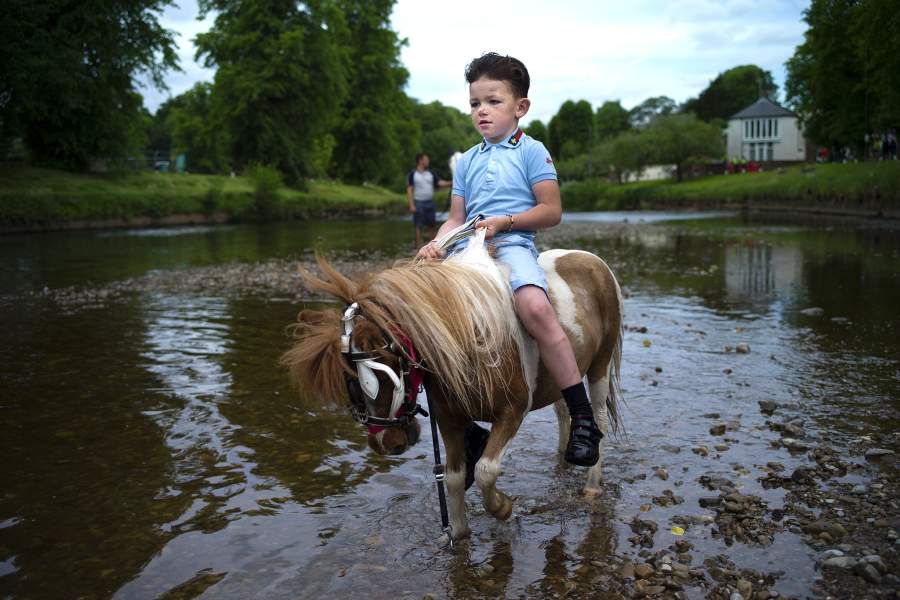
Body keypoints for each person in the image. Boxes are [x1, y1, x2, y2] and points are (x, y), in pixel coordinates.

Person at [417, 52, 602, 467]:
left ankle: (583, 415)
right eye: (474, 103)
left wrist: (506, 222)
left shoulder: (532, 151)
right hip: (467, 250)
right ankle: (460, 423)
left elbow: (551, 211)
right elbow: (454, 219)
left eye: (493, 101)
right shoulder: (468, 160)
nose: (481, 111)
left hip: (513, 245)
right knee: (425, 317)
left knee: (535, 306)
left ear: (520, 107)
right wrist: (436, 244)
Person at [406, 153, 450, 248]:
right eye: (426, 159)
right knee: (418, 226)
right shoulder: (413, 174)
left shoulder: (431, 173)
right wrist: (411, 205)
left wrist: (452, 182)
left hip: (430, 202)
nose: (428, 161)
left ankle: (433, 247)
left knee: (431, 224)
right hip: (418, 202)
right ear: (420, 161)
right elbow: (409, 190)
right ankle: (418, 247)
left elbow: (439, 183)